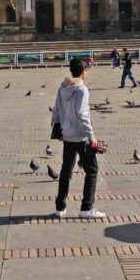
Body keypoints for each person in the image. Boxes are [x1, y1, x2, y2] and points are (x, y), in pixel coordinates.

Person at [52, 57, 105, 219]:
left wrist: (59, 128)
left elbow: (56, 110)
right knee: (92, 170)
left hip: (68, 136)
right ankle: (86, 208)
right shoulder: (81, 89)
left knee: (66, 171)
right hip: (81, 137)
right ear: (83, 72)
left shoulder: (63, 87)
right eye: (86, 69)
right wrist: (92, 137)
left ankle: (60, 208)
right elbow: (83, 116)